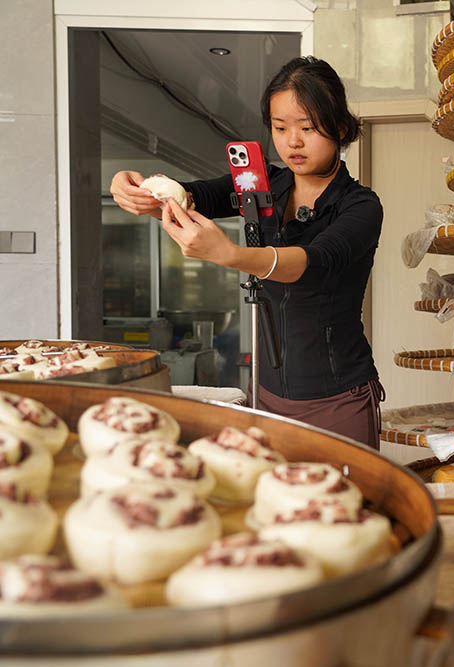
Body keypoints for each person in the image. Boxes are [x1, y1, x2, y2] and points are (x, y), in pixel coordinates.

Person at [110, 56, 385, 449]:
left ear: (340, 127)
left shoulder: (360, 206)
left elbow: (312, 262)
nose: (293, 141)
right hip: (266, 393)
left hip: (338, 397)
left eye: (307, 127)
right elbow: (192, 196)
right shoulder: (261, 183)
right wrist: (138, 189)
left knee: (347, 506)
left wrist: (231, 255)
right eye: (280, 127)